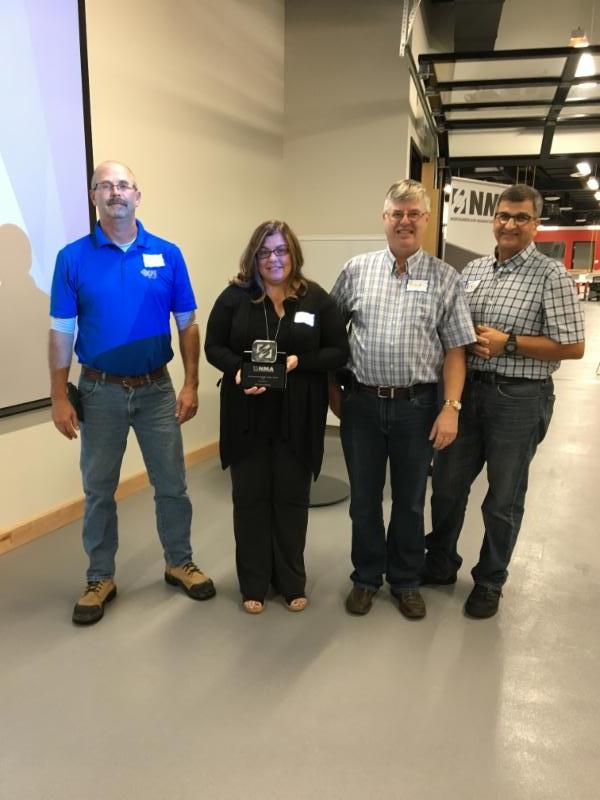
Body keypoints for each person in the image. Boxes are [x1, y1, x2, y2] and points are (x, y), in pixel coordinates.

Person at [49, 160, 215, 625]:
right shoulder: (72, 258)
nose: (115, 192)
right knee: (99, 489)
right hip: (98, 391)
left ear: (137, 196)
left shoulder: (167, 254)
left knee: (172, 484)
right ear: (93, 197)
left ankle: (179, 562)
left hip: (156, 390)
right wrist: (59, 396)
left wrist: (191, 383)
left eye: (123, 185)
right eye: (105, 186)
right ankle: (100, 576)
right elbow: (61, 331)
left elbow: (187, 323)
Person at [424, 184, 585, 618]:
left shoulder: (551, 276)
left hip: (518, 398)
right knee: (447, 487)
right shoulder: (473, 269)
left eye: (521, 217)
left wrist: (508, 342)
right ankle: (440, 563)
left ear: (536, 224)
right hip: (467, 393)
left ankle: (490, 580)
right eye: (503, 216)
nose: (510, 224)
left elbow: (573, 347)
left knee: (503, 497)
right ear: (493, 220)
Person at [330, 179, 475, 620]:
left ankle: (406, 580)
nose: (405, 221)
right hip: (362, 405)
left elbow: (456, 350)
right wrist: (333, 393)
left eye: (414, 214)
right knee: (364, 500)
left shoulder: (446, 278)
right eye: (397, 213)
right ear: (385, 218)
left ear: (427, 219)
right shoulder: (356, 270)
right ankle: (366, 577)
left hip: (418, 407)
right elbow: (330, 337)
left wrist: (451, 408)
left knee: (410, 501)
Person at [204, 220, 348, 614]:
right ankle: (253, 583)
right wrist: (237, 370)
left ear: (293, 254)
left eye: (281, 250)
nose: (274, 259)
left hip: (297, 417)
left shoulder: (315, 299)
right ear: (254, 258)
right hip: (246, 415)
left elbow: (339, 350)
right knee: (250, 500)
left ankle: (290, 581)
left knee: (291, 499)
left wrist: (303, 361)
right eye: (265, 252)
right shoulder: (235, 298)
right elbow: (213, 346)